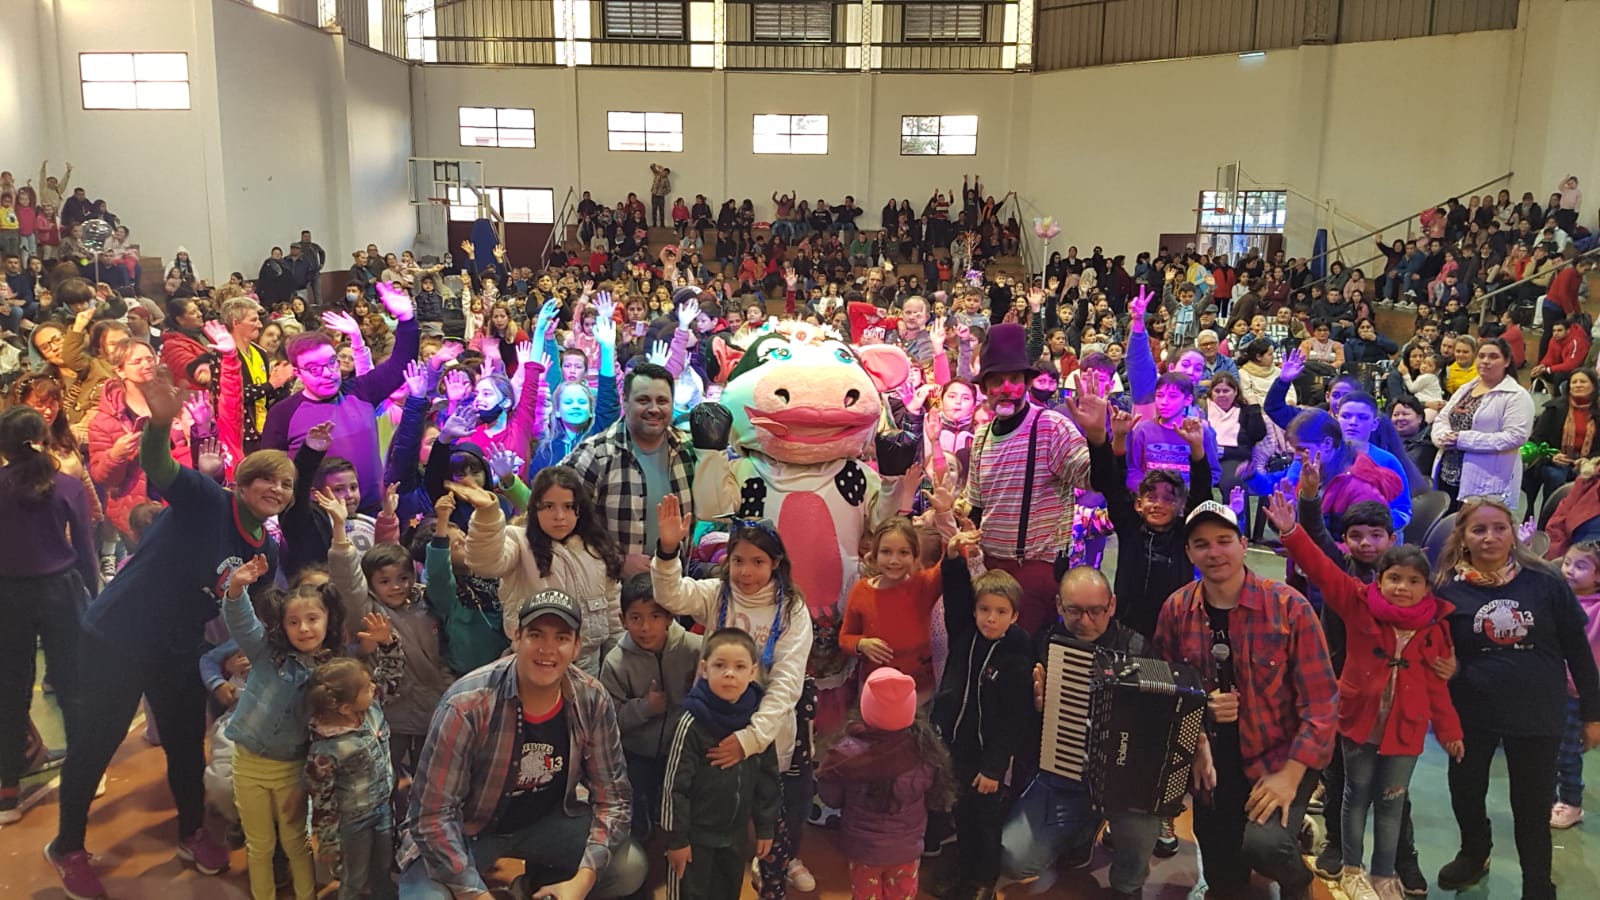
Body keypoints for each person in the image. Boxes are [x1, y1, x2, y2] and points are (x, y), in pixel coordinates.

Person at [48, 371, 296, 900]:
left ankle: (190, 831)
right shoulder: (207, 499)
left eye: (287, 485)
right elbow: (160, 466)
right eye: (266, 480)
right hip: (117, 634)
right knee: (97, 742)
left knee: (187, 743)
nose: (276, 489)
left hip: (179, 645)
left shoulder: (266, 554)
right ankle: (67, 846)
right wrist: (161, 423)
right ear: (244, 484)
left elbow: (250, 614)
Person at [1267, 483, 1462, 900]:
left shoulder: (1435, 624)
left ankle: (1385, 871)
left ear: (1428, 586)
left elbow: (1438, 686)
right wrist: (1291, 532)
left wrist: (1449, 731)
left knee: (1393, 802)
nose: (1402, 588)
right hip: (1357, 722)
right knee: (1353, 797)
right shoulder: (1357, 601)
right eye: (1394, 579)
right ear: (1380, 580)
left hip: (1405, 730)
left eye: (1412, 581)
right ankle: (1352, 865)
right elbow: (1320, 568)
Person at [397, 589, 648, 900]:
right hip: (468, 830)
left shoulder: (592, 698)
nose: (548, 649)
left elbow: (614, 799)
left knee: (630, 866)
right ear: (517, 638)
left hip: (544, 823)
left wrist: (581, 883)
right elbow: (433, 816)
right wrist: (476, 895)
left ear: (576, 646)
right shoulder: (467, 704)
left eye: (561, 637)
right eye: (536, 634)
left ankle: (536, 884)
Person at [1151, 501, 1338, 900]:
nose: (1213, 552)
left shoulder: (1290, 608)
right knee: (1223, 879)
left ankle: (1297, 881)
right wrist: (1199, 731)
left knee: (1265, 846)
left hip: (1279, 756)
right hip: (1214, 765)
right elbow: (1169, 694)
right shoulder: (1176, 609)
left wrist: (1289, 778)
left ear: (1243, 544)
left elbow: (1321, 706)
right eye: (1201, 544)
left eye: (1223, 541)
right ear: (1189, 553)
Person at [1432, 498, 1600, 900]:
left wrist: (1593, 714)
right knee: (1465, 790)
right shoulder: (1446, 588)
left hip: (1537, 711)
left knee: (1531, 806)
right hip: (1472, 710)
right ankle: (1474, 853)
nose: (1490, 537)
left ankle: (1537, 883)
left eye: (1499, 528)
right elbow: (1431, 647)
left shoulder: (1545, 582)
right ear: (1464, 538)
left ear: (1512, 533)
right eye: (1478, 530)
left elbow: (1578, 650)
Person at [650, 500, 818, 899]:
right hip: (709, 730)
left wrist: (750, 740)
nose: (746, 572)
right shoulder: (716, 594)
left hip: (760, 737)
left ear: (775, 562)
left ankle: (768, 865)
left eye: (757, 561)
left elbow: (786, 683)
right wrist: (669, 550)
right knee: (708, 815)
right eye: (738, 560)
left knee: (757, 811)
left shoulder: (792, 609)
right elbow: (671, 594)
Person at [1000, 568, 1164, 900]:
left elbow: (1158, 723)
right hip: (1061, 774)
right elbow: (1022, 730)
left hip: (1123, 784)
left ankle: (1127, 885)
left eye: (1095, 611)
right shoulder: (1043, 642)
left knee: (1142, 828)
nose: (1084, 621)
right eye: (1074, 610)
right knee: (1013, 860)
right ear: (1059, 606)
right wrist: (1036, 709)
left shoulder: (1139, 649)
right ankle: (1082, 832)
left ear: (1112, 605)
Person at [0, 406, 96, 825]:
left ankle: (6, 792)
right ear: (43, 437)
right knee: (74, 685)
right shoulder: (67, 486)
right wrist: (94, 594)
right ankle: (86, 775)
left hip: (7, 594)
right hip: (62, 590)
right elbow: (89, 553)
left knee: (10, 691)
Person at [963, 322, 1091, 632]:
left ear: (1026, 383)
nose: (1006, 388)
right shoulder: (980, 438)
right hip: (988, 570)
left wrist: (1101, 439)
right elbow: (976, 509)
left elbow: (1092, 478)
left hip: (1035, 571)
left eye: (1014, 379)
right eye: (996, 380)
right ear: (984, 389)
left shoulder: (1050, 426)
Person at [262, 281, 420, 516]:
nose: (327, 373)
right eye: (314, 369)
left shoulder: (362, 390)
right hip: (315, 519)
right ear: (297, 372)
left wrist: (407, 319)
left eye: (331, 363)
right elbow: (270, 471)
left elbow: (400, 366)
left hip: (372, 511)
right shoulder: (283, 413)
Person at [934, 531, 1034, 900]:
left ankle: (982, 883)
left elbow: (1014, 718)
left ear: (1015, 616)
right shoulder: (965, 632)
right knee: (961, 817)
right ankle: (962, 875)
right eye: (984, 610)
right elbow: (957, 593)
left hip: (986, 760)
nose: (990, 619)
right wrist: (953, 556)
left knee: (985, 823)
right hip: (956, 750)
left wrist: (994, 768)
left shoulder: (1017, 654)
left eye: (1000, 612)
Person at [457, 465, 624, 677]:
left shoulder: (596, 549)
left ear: (579, 509)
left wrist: (615, 667)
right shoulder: (518, 541)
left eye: (568, 506)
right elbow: (484, 563)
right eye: (549, 506)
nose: (559, 516)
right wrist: (487, 515)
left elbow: (613, 613)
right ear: (535, 508)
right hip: (533, 666)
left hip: (589, 669)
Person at [661, 627, 782, 900]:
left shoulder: (757, 723)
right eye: (720, 665)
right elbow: (673, 788)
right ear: (704, 669)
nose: (730, 673)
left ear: (753, 672)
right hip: (694, 838)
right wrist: (677, 840)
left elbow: (768, 778)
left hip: (735, 836)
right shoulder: (691, 723)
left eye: (739, 667)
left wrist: (765, 827)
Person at [817, 666, 956, 900]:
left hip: (863, 851)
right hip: (907, 850)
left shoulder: (847, 752)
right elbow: (934, 796)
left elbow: (830, 796)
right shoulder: (925, 750)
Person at [600, 573, 703, 841]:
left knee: (678, 812)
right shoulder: (615, 662)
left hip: (682, 752)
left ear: (670, 617)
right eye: (636, 618)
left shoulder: (695, 650)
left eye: (655, 616)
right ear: (623, 620)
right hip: (637, 753)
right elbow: (609, 719)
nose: (646, 627)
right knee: (635, 816)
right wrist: (646, 707)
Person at [567, 362, 695, 575]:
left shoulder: (688, 451)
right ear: (625, 402)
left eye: (662, 401)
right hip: (612, 594)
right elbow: (563, 525)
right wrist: (616, 561)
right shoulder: (595, 454)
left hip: (676, 590)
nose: (654, 409)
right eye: (643, 400)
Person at [1431, 337, 1535, 507]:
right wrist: (1442, 437)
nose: (1486, 361)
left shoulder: (1517, 396)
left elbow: (1515, 437)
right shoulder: (1467, 388)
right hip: (1448, 472)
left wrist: (1463, 440)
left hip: (1487, 480)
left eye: (1493, 357)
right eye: (1482, 356)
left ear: (1507, 361)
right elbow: (1443, 417)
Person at [1551, 542, 1600, 829]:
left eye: (1580, 566)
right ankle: (1549, 797)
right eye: (1567, 562)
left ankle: (1571, 802)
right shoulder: (1560, 597)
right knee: (1547, 750)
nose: (1569, 570)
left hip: (1577, 693)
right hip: (1551, 688)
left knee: (1567, 753)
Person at [1526, 368, 1599, 513]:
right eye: (1574, 382)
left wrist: (1589, 460)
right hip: (1555, 461)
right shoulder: (1554, 408)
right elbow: (1537, 438)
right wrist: (1553, 456)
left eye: (1583, 382)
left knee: (1589, 479)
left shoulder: (1598, 411)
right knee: (1556, 477)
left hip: (1588, 463)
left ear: (1593, 386)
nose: (1578, 385)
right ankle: (1547, 522)